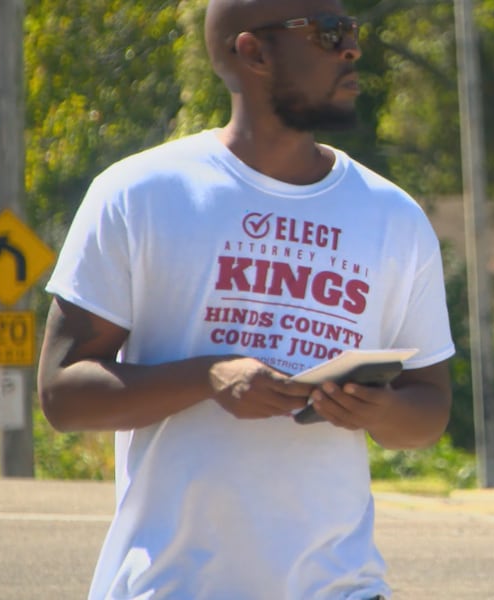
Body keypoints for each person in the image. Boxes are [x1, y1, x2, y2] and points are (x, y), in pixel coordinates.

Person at [36, 0, 454, 598]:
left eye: (353, 32)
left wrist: (376, 410)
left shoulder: (393, 216)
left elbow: (430, 408)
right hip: (169, 585)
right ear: (251, 50)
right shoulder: (139, 193)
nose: (352, 50)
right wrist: (209, 377)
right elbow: (62, 395)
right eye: (329, 32)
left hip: (339, 587)